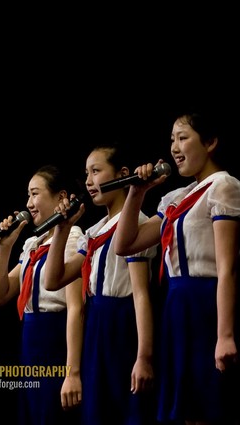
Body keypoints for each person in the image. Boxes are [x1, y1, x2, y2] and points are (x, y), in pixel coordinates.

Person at [114, 109, 240, 425]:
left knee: (208, 405)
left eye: (183, 138)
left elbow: (228, 268)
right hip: (177, 305)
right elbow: (123, 245)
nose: (174, 148)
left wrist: (225, 335)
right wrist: (137, 192)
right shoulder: (176, 198)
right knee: (182, 408)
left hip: (206, 305)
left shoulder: (223, 188)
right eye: (171, 141)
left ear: (210, 142)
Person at [43, 142, 159, 425]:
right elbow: (52, 279)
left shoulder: (135, 226)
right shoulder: (94, 232)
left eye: (96, 171)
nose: (88, 181)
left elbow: (141, 295)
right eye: (86, 173)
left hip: (122, 326)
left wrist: (143, 356)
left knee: (126, 410)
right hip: (96, 327)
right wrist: (62, 228)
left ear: (122, 173)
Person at [0, 164, 83, 425]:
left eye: (34, 194)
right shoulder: (33, 243)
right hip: (31, 341)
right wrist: (4, 248)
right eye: (28, 196)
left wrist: (71, 372)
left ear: (61, 197)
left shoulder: (73, 239)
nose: (28, 203)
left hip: (55, 338)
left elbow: (76, 308)